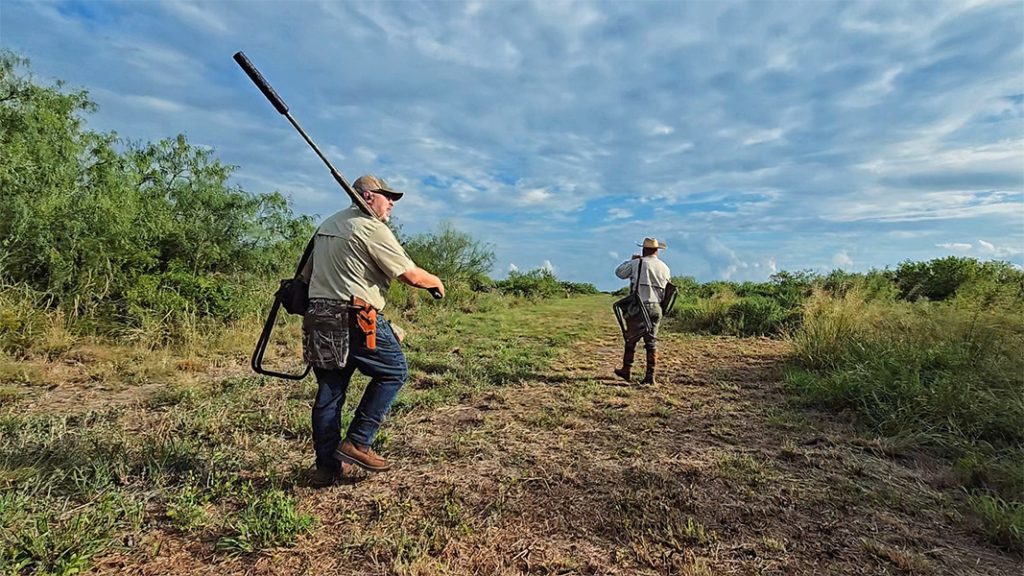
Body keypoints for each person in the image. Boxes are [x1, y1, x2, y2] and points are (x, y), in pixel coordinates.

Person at [300, 174, 445, 485]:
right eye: (386, 196)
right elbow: (409, 275)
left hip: (320, 317)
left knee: (330, 393)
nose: (391, 203)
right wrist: (437, 281)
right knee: (394, 371)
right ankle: (358, 442)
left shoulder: (328, 225)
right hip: (355, 316)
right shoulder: (371, 228)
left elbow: (306, 275)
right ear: (367, 197)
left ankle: (326, 468)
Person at [613, 237, 671, 385]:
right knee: (651, 342)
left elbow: (619, 273)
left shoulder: (637, 263)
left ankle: (627, 370)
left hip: (640, 306)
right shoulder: (665, 267)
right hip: (656, 307)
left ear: (643, 250)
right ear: (657, 251)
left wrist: (631, 260)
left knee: (631, 339)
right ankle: (650, 377)